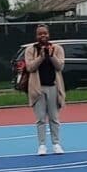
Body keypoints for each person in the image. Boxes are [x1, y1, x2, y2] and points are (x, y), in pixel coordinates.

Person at [24, 25, 66, 155]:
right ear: (36, 36)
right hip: (38, 88)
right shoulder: (30, 50)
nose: (43, 36)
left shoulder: (57, 49)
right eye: (40, 34)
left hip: (53, 87)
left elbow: (60, 66)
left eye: (45, 33)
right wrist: (41, 57)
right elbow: (30, 67)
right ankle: (42, 145)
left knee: (54, 117)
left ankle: (56, 144)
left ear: (49, 35)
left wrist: (51, 55)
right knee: (40, 119)